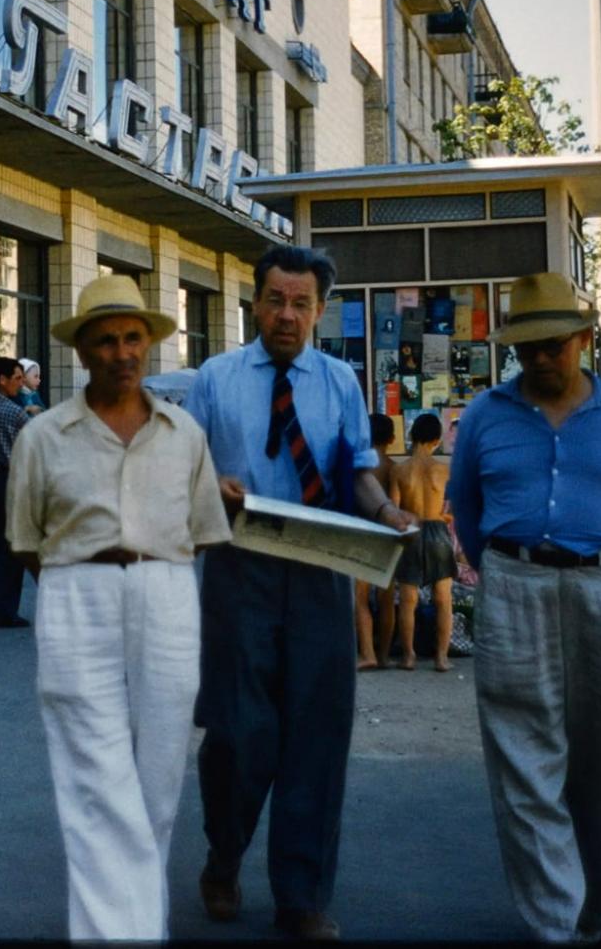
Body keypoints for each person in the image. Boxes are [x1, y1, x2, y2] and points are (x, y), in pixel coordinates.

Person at [186, 245, 415, 940]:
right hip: (239, 563)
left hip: (320, 567)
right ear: (254, 303)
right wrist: (209, 488)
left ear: (320, 310)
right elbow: (183, 468)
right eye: (276, 300)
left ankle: (302, 895)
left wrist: (389, 516)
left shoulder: (341, 380)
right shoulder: (215, 379)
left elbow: (359, 474)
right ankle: (224, 853)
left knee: (318, 734)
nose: (287, 315)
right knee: (236, 732)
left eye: (301, 303)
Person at [8, 275, 231, 941]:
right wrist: (80, 580)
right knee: (93, 772)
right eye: (106, 341)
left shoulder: (183, 432)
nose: (122, 352)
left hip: (166, 589)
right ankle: (122, 933)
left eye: (133, 338)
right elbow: (25, 541)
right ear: (82, 352)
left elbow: (204, 528)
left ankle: (131, 923)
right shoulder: (44, 436)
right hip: (76, 589)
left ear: (148, 344)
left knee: (160, 772)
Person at [446, 271, 601, 943]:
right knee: (523, 764)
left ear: (584, 339)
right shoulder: (484, 415)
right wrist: (505, 575)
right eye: (526, 348)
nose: (539, 358)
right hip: (515, 587)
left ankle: (599, 913)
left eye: (553, 345)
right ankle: (554, 924)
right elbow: (468, 510)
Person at [385, 413, 458, 672]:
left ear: (412, 436)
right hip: (437, 530)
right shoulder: (443, 469)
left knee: (408, 599)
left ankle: (408, 656)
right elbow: (455, 509)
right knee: (443, 599)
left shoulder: (400, 470)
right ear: (437, 440)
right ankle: (441, 657)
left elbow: (393, 509)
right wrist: (442, 516)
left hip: (411, 529)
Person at [0, 356, 34, 628]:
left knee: (5, 548)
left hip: (0, 476)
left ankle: (3, 608)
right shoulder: (14, 412)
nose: (20, 383)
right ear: (2, 380)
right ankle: (9, 610)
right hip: (18, 477)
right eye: (16, 378)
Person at [354, 412, 398, 671]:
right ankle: (383, 655)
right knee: (386, 597)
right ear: (392, 439)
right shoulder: (394, 467)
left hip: (361, 532)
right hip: (387, 535)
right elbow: (394, 501)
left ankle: (367, 652)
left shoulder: (362, 467)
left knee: (359, 598)